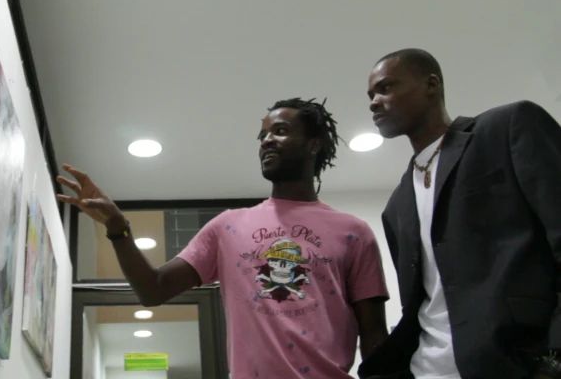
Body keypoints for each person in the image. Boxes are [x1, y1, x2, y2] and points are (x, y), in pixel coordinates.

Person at [57, 98, 390, 379]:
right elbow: (153, 289)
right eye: (263, 134)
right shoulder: (228, 226)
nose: (266, 140)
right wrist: (118, 227)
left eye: (281, 131)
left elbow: (374, 333)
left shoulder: (353, 233)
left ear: (314, 144)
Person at [360, 48, 561, 379]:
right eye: (370, 94)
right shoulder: (397, 206)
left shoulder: (506, 128)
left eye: (386, 87)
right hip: (426, 369)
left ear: (431, 84)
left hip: (515, 363)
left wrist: (554, 358)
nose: (374, 101)